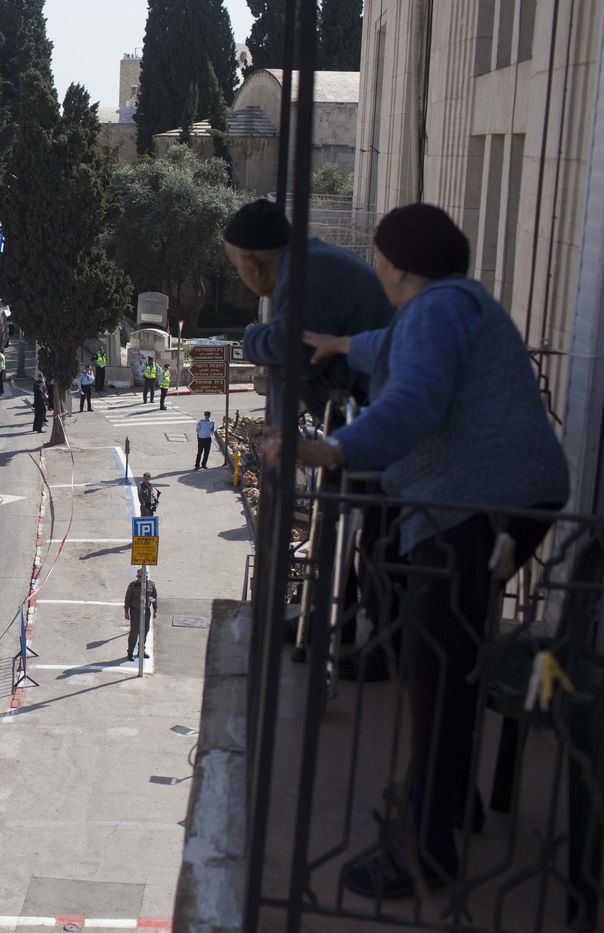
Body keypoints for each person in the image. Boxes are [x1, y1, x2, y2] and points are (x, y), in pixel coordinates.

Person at [266, 203, 569, 900]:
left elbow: (416, 399)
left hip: (478, 506)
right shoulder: (449, 306)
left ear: (395, 264)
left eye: (379, 255)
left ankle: (425, 851)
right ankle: (452, 801)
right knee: (451, 658)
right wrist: (343, 346)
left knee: (436, 670)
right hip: (499, 501)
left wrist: (335, 446)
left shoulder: (436, 313)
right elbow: (393, 346)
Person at [222, 198, 394, 423]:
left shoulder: (304, 274)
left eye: (236, 267)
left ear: (251, 266)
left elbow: (294, 349)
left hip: (380, 409)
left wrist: (252, 338)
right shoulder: (310, 259)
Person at [122, 573, 158, 661]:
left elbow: (153, 598)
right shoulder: (133, 585)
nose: (138, 578)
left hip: (146, 611)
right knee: (134, 633)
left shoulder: (151, 585)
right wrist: (126, 612)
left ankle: (141, 650)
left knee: (145, 631)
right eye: (138, 577)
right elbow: (127, 599)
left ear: (145, 577)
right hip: (135, 611)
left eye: (140, 577)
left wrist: (155, 610)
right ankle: (130, 652)